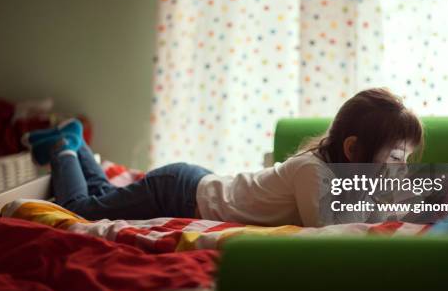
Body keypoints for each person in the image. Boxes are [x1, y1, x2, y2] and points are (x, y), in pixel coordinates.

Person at [22, 88, 423, 227]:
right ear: (353, 150)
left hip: (194, 185)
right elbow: (332, 226)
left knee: (102, 196)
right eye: (392, 161)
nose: (399, 171)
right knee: (78, 210)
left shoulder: (340, 178)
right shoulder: (312, 172)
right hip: (178, 193)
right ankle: (63, 147)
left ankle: (73, 140)